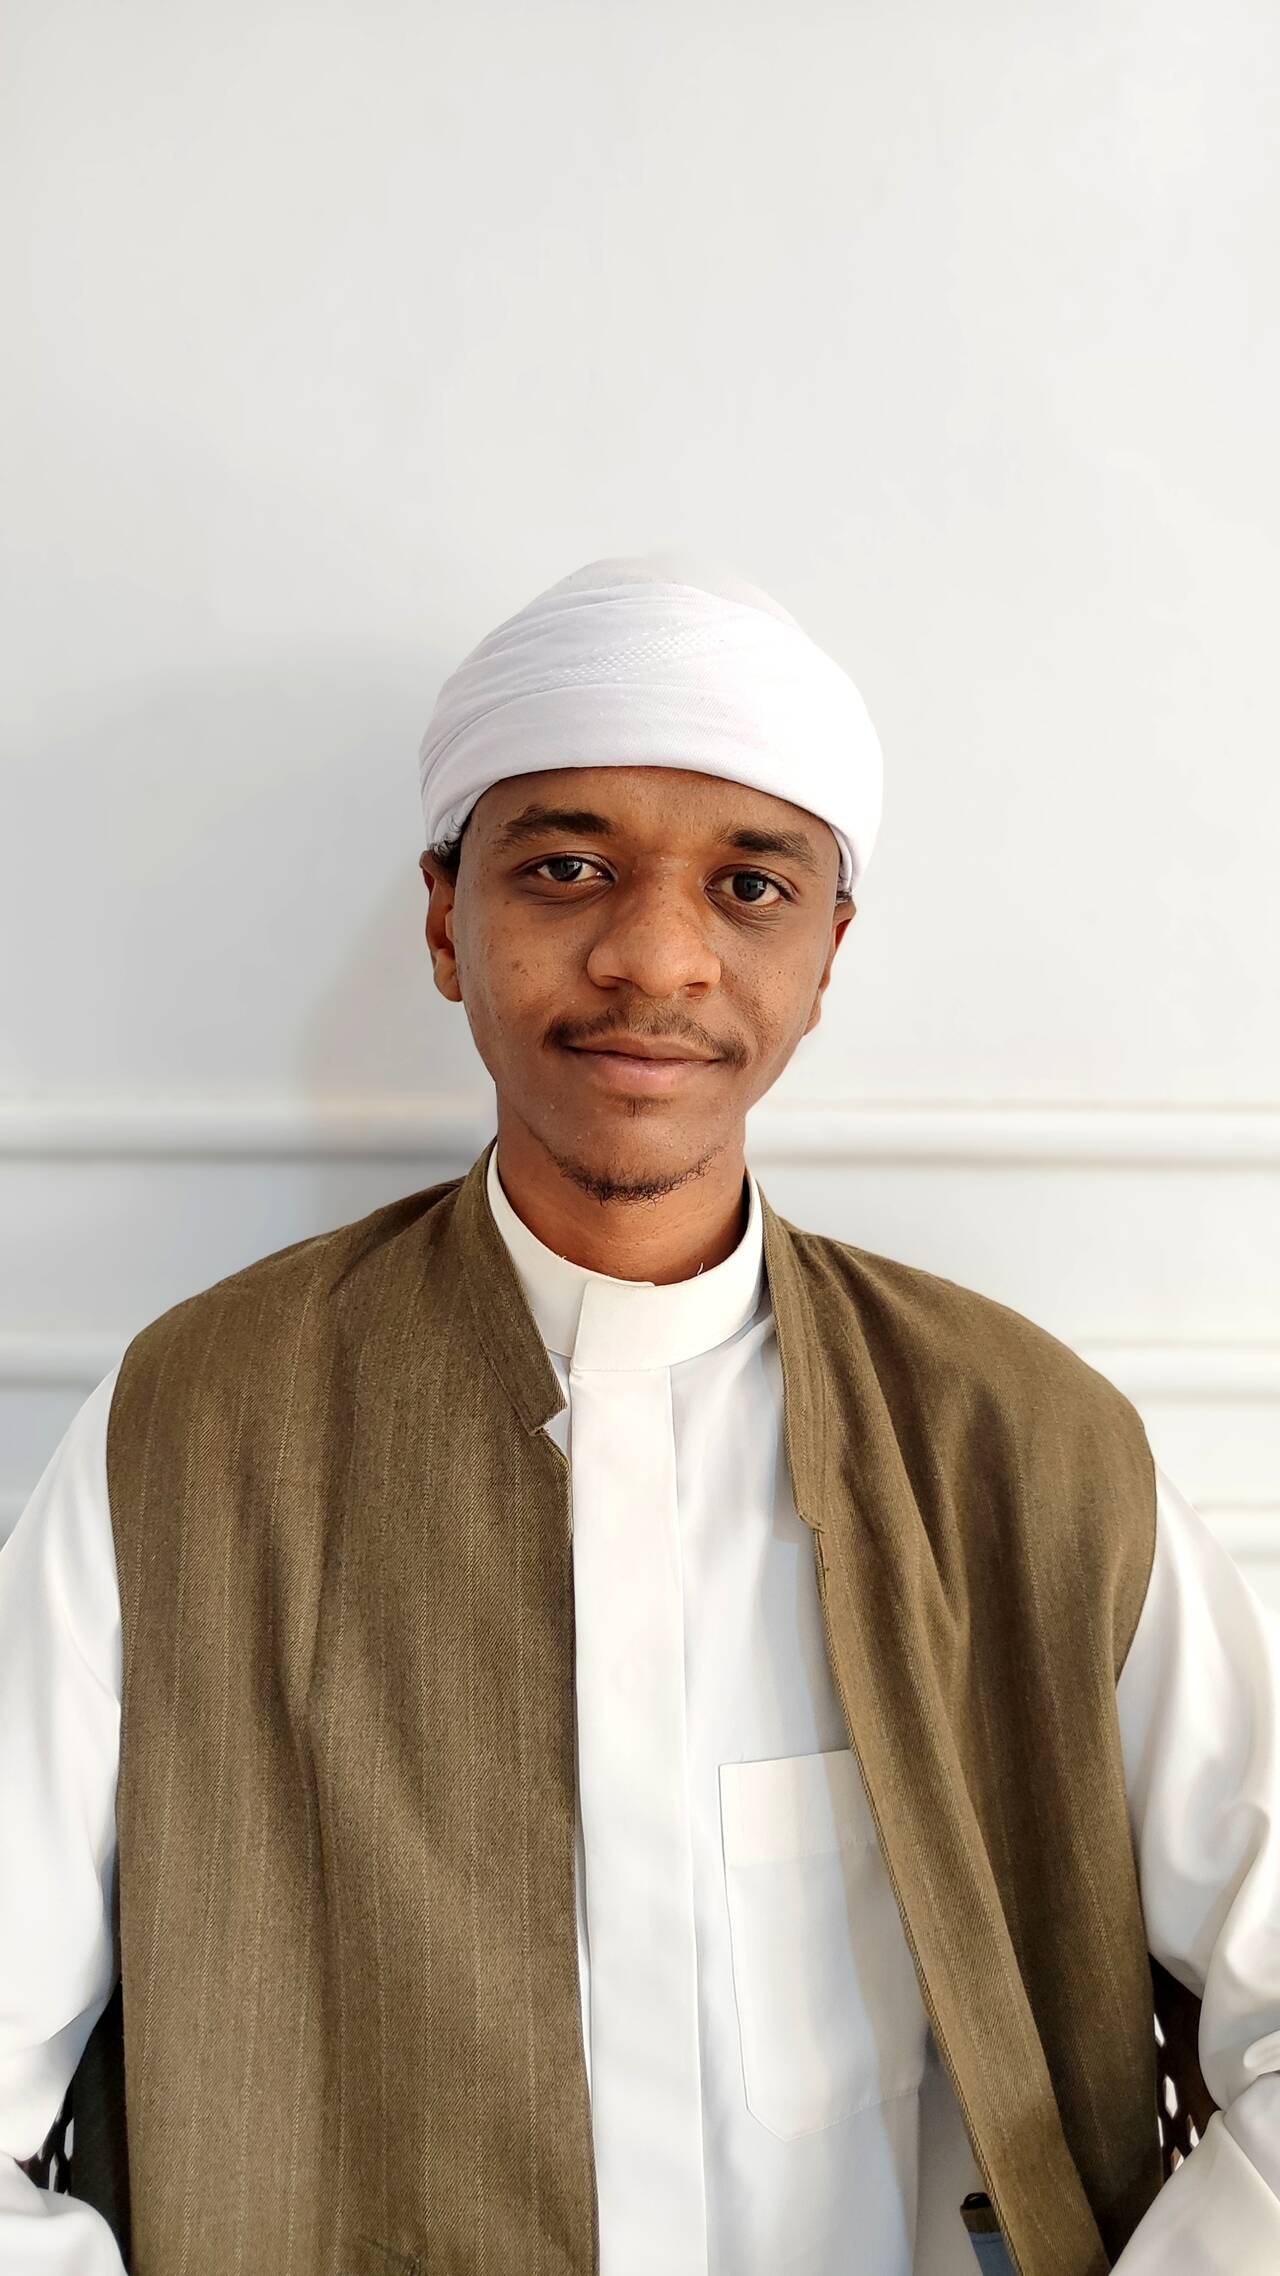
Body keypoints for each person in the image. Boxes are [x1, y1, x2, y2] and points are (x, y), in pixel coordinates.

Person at [2, 553, 1278, 2276]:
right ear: (447, 920)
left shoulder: (1020, 1447)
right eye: (568, 868)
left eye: (749, 886)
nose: (655, 958)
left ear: (826, 956)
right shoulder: (196, 1434)